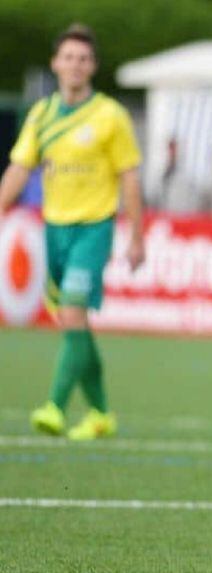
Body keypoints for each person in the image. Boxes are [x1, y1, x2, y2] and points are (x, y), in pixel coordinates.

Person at [0, 24, 145, 440]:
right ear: (55, 63)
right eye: (68, 57)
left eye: (83, 58)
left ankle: (55, 407)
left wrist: (137, 236)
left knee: (73, 311)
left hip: (93, 228)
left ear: (93, 66)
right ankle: (100, 413)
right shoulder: (42, 114)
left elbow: (130, 177)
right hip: (54, 230)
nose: (75, 65)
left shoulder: (109, 116)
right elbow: (19, 167)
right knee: (72, 320)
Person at [154, 137, 201, 213]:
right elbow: (156, 197)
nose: (171, 153)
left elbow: (193, 199)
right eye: (170, 150)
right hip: (165, 216)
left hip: (181, 216)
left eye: (174, 150)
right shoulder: (162, 173)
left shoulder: (187, 174)